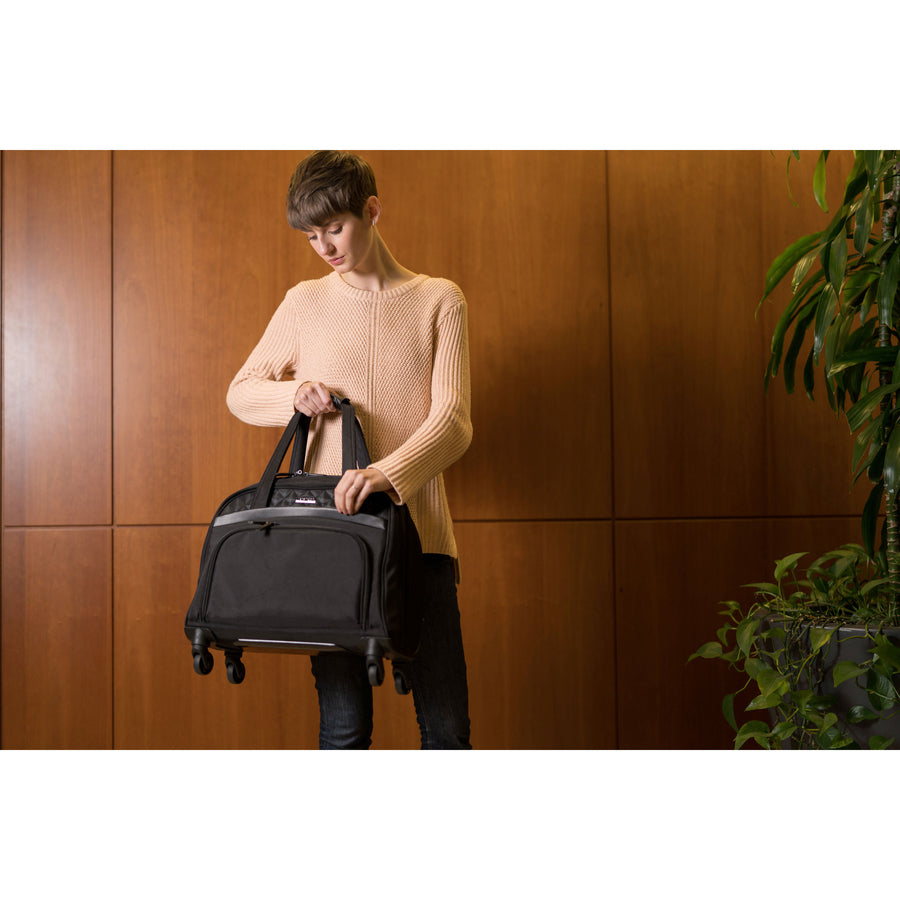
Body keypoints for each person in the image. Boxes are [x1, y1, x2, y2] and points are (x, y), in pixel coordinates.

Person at [226, 151, 473, 749]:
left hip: (420, 543)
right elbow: (241, 391)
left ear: (372, 210)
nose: (324, 247)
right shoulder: (304, 302)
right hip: (329, 543)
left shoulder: (439, 300)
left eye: (334, 228)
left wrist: (385, 474)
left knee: (447, 734)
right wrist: (293, 395)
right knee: (343, 734)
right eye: (311, 236)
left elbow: (453, 421)